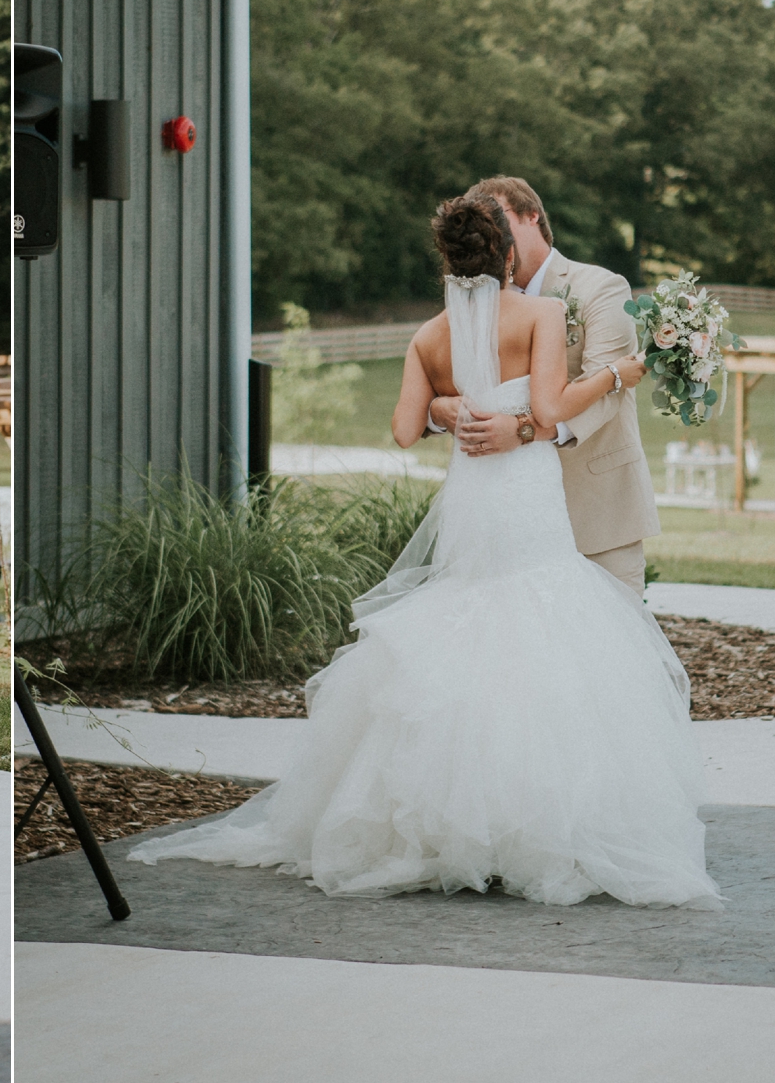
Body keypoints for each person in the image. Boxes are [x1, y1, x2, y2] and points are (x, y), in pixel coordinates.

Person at [129, 194, 722, 909]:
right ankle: (535, 825)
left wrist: (450, 405)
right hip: (526, 504)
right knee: (542, 628)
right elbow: (551, 409)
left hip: (474, 502)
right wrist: (619, 375)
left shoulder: (427, 338)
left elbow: (407, 427)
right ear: (508, 253)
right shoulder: (537, 316)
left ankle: (449, 825)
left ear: (446, 262)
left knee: (468, 617)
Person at [428, 176, 660, 592]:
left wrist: (521, 431)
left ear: (532, 215)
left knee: (611, 647)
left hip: (597, 510)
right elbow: (435, 381)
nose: (491, 235)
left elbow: (608, 392)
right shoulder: (475, 300)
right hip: (508, 519)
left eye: (501, 220)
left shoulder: (601, 288)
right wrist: (437, 412)